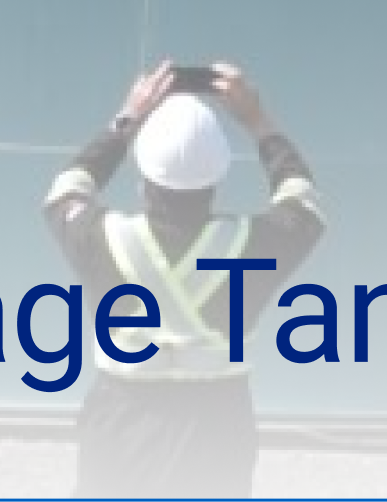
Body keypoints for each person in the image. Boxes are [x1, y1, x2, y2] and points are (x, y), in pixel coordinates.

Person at [42, 58, 323, 500]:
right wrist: (259, 122)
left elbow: (67, 189)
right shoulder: (255, 244)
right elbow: (303, 203)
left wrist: (127, 119)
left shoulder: (100, 237)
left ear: (144, 177)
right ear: (219, 176)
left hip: (121, 420)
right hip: (216, 425)